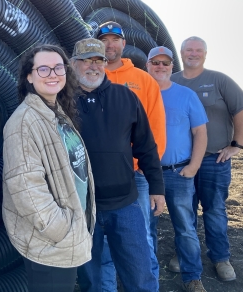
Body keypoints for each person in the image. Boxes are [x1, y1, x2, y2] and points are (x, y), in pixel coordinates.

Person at [72, 38, 165, 292]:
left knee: (140, 275)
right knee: (92, 280)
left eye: (99, 60)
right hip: (82, 208)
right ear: (74, 64)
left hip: (125, 204)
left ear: (105, 63)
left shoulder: (126, 97)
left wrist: (156, 187)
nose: (93, 66)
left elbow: (146, 146)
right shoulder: (62, 103)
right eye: (86, 60)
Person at [2, 44, 95, 292]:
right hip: (53, 242)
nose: (52, 74)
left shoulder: (56, 113)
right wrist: (61, 230)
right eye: (43, 69)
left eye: (58, 67)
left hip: (67, 235)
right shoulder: (23, 122)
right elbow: (27, 189)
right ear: (29, 77)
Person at [95, 21, 167, 290]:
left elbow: (155, 131)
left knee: (141, 241)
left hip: (135, 177)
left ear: (124, 45)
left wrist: (144, 170)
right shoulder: (89, 78)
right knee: (102, 246)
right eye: (105, 40)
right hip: (101, 179)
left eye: (116, 39)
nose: (110, 44)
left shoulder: (143, 80)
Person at [171, 36, 243, 282]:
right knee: (184, 211)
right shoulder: (171, 81)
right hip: (181, 162)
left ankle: (220, 257)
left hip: (215, 160)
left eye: (198, 50)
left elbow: (240, 110)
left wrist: (237, 145)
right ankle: (184, 255)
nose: (193, 53)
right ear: (181, 53)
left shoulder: (219, 80)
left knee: (214, 210)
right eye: (188, 50)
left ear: (205, 54)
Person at [147, 46, 208, 292]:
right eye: (155, 62)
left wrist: (193, 167)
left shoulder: (186, 95)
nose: (160, 67)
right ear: (147, 66)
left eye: (165, 63)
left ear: (173, 67)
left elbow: (200, 132)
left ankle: (192, 277)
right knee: (147, 227)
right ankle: (148, 278)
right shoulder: (138, 94)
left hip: (178, 174)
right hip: (147, 175)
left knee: (185, 227)